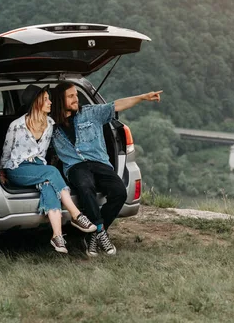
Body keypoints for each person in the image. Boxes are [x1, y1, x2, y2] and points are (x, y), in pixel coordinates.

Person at [51, 81, 162, 256]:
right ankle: (101, 231)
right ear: (59, 100)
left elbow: (117, 104)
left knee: (119, 192)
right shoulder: (51, 125)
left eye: (76, 95)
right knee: (85, 187)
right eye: (71, 96)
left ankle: (93, 235)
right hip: (75, 166)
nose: (76, 99)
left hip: (99, 162)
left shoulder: (90, 113)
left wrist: (142, 97)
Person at [0, 84, 97, 254]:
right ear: (37, 103)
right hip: (17, 169)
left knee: (48, 188)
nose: (50, 102)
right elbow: (6, 152)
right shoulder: (17, 125)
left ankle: (57, 236)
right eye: (46, 99)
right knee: (51, 172)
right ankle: (76, 215)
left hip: (39, 168)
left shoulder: (50, 124)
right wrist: (1, 171)